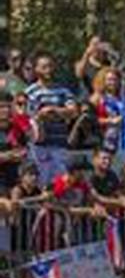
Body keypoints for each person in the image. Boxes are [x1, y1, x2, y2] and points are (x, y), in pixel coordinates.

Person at [24, 52, 78, 186]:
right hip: (39, 146)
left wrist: (55, 110)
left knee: (60, 184)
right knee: (41, 184)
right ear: (36, 69)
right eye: (44, 67)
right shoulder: (30, 92)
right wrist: (40, 115)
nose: (48, 70)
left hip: (59, 144)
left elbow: (74, 111)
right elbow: (26, 118)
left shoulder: (63, 91)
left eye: (50, 66)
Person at [92, 66, 125, 158]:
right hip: (105, 141)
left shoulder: (124, 99)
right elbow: (90, 120)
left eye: (115, 79)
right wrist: (110, 121)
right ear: (103, 81)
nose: (112, 82)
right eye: (109, 79)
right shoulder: (98, 98)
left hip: (123, 139)